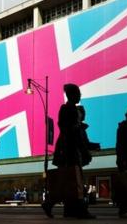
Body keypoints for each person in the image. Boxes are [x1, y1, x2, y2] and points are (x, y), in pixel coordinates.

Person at [43, 83, 95, 219]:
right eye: (78, 93)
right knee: (75, 180)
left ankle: (63, 208)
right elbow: (70, 130)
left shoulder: (69, 109)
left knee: (68, 181)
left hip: (68, 149)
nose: (80, 96)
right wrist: (84, 146)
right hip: (69, 150)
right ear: (72, 95)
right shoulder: (68, 109)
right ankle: (79, 210)